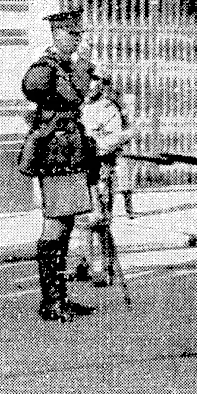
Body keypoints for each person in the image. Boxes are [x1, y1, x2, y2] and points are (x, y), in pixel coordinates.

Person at [18, 9, 96, 323]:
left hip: (70, 152)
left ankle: (58, 296)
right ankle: (52, 301)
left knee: (65, 225)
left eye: (78, 35)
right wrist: (82, 66)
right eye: (72, 35)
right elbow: (73, 95)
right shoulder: (46, 67)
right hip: (57, 155)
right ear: (57, 34)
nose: (77, 41)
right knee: (57, 225)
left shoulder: (63, 66)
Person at [75, 73, 135, 287]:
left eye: (95, 81)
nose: (91, 85)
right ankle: (86, 264)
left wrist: (94, 147)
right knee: (82, 220)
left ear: (101, 83)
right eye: (88, 80)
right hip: (81, 170)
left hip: (102, 169)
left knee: (101, 221)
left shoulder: (109, 108)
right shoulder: (78, 106)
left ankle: (106, 268)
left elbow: (116, 138)